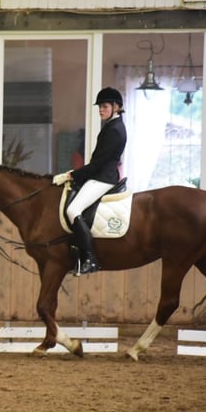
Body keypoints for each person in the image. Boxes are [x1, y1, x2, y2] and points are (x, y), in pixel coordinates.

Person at [53, 87, 128, 275]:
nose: (101, 110)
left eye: (104, 106)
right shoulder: (111, 126)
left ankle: (90, 259)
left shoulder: (115, 130)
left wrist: (73, 175)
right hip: (100, 175)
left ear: (116, 107)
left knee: (73, 210)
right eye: (100, 107)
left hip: (104, 178)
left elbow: (98, 163)